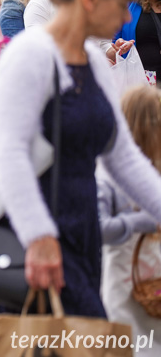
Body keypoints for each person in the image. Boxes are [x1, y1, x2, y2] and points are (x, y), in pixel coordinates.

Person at [0, 0, 161, 317]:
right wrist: (38, 237)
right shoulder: (30, 55)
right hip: (34, 236)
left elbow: (122, 155)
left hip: (82, 228)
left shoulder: (95, 60)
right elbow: (9, 153)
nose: (125, 17)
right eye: (120, 4)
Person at [99, 86, 161, 349]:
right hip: (126, 287)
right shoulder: (108, 178)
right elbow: (99, 227)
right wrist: (144, 221)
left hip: (143, 285)